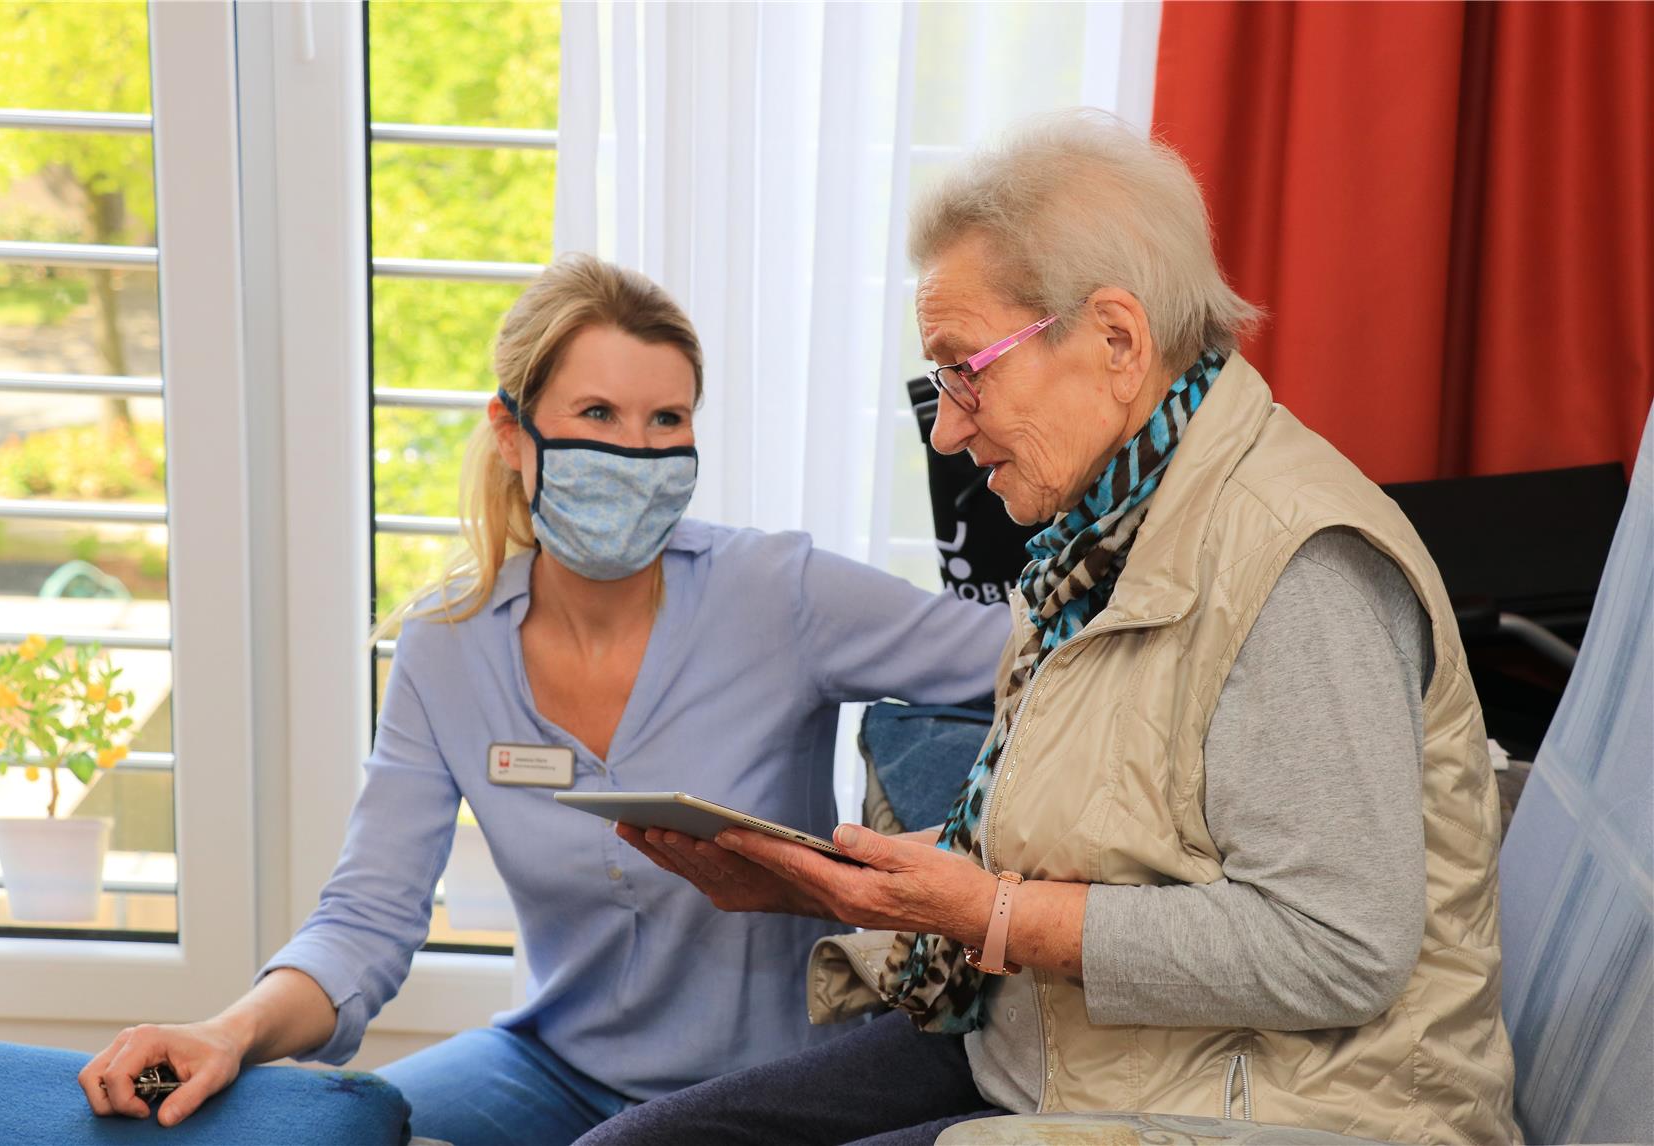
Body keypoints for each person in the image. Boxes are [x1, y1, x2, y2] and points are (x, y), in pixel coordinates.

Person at [586, 110, 1521, 1146]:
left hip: (1279, 1110)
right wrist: (811, 881)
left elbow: (1335, 947)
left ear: (1116, 340)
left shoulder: (1297, 562)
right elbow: (1093, 840)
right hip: (1052, 1051)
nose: (945, 425)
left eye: (963, 369)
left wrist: (991, 915)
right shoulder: (1099, 534)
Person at [77, 255, 1009, 1146]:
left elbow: (1032, 657)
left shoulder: (781, 595)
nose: (634, 452)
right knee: (322, 1128)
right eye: (597, 413)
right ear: (514, 431)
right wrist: (227, 1033)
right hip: (547, 1067)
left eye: (665, 420)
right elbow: (366, 920)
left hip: (773, 1083)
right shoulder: (448, 647)